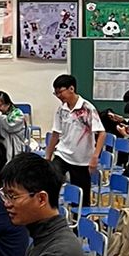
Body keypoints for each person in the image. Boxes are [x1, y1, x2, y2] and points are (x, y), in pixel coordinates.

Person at [45, 74, 103, 203]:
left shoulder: (87, 108)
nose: (59, 96)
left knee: (82, 200)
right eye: (56, 93)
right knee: (50, 183)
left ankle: (79, 214)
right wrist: (48, 157)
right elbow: (55, 133)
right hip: (62, 154)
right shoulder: (61, 109)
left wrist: (95, 157)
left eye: (60, 92)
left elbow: (101, 133)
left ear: (71, 89)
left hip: (81, 160)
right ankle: (52, 211)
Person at [0, 92, 31, 158]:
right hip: (0, 146)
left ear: (7, 104)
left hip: (14, 147)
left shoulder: (17, 114)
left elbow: (9, 127)